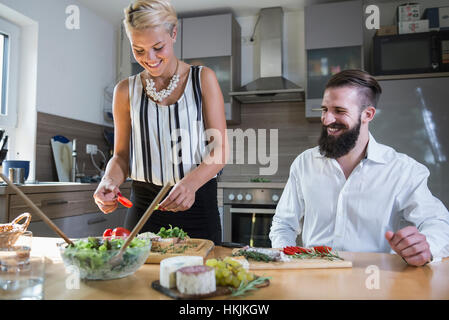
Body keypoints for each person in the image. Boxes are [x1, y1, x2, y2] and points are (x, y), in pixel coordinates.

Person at [269, 69, 449, 266]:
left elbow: (438, 223)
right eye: (324, 109)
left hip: (374, 284)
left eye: (339, 111)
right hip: (314, 282)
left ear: (367, 114)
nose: (327, 119)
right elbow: (283, 224)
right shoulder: (304, 163)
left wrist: (426, 246)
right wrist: (286, 258)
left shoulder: (403, 170)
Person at [93, 0, 228, 244]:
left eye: (158, 47)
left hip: (196, 203)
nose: (150, 58)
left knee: (200, 278)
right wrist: (108, 181)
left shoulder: (203, 79)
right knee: (136, 278)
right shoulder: (125, 90)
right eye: (139, 50)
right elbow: (121, 155)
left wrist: (191, 183)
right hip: (144, 208)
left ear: (173, 34)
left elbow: (220, 149)